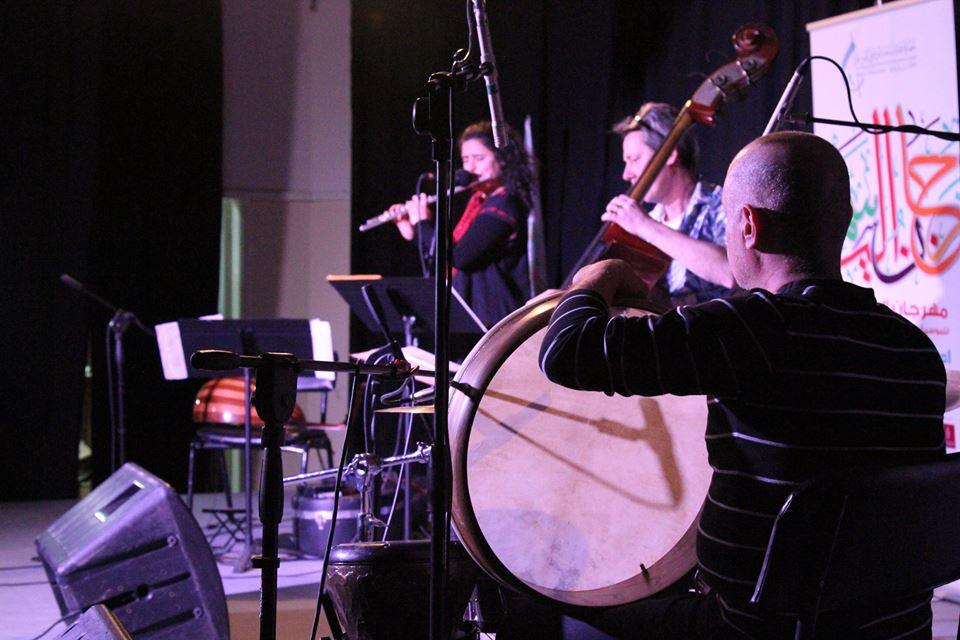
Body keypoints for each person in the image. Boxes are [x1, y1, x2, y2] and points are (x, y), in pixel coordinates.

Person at [539, 132, 946, 639]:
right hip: (895, 630)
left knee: (555, 612)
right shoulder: (912, 348)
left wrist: (595, 279)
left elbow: (565, 352)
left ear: (748, 225)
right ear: (842, 220)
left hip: (750, 630)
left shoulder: (749, 328)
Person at [387, 121, 535, 328]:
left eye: (479, 158)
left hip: (495, 319)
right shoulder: (480, 201)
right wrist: (414, 233)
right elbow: (449, 252)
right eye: (466, 159)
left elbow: (461, 258)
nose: (470, 168)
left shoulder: (505, 204)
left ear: (502, 159)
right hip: (475, 311)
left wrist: (423, 223)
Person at [602, 102, 736, 306]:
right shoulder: (648, 223)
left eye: (634, 159)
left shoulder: (722, 204)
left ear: (670, 154)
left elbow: (732, 272)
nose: (626, 174)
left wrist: (644, 226)